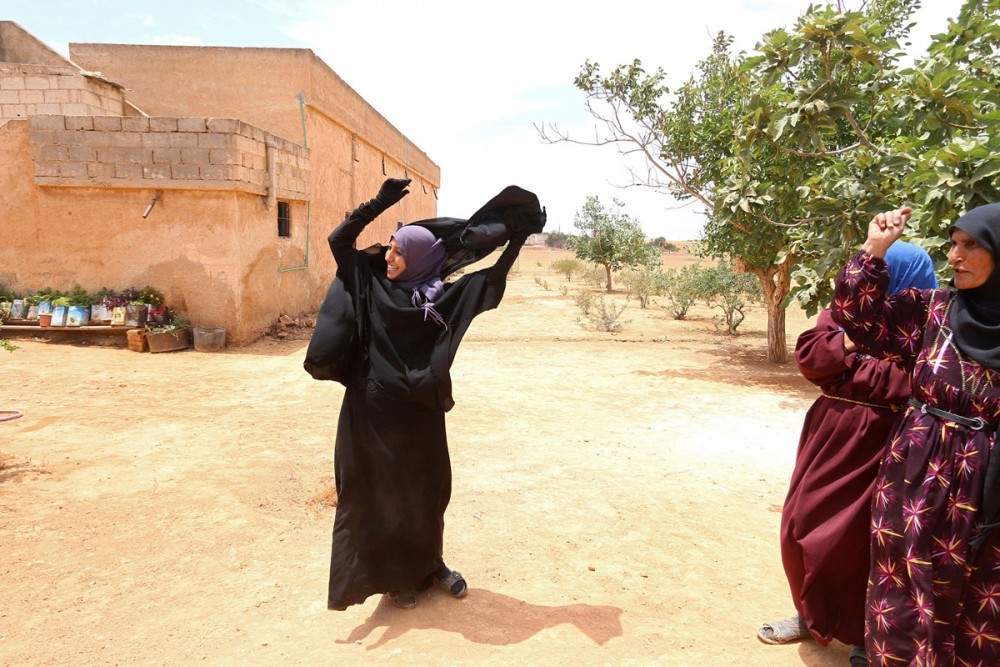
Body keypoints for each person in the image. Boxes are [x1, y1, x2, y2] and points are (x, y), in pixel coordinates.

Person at [304, 177, 545, 611]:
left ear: (422, 257)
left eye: (400, 251)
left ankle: (430, 565)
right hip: (371, 411)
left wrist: (520, 236)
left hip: (421, 414)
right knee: (382, 494)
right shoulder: (369, 283)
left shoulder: (442, 298)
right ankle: (397, 580)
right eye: (391, 247)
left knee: (426, 492)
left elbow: (492, 279)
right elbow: (339, 241)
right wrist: (377, 202)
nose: (391, 257)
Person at [829, 203, 1000, 666]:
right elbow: (855, 317)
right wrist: (875, 248)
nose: (956, 256)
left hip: (988, 488)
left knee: (977, 601)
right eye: (953, 244)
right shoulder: (934, 311)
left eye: (972, 245)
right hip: (915, 473)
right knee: (903, 589)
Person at [757, 243, 938, 667]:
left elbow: (918, 380)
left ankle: (866, 632)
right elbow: (812, 359)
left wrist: (853, 355)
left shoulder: (931, 323)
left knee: (866, 538)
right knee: (800, 525)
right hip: (831, 432)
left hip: (892, 439)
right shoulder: (845, 312)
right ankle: (809, 614)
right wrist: (859, 333)